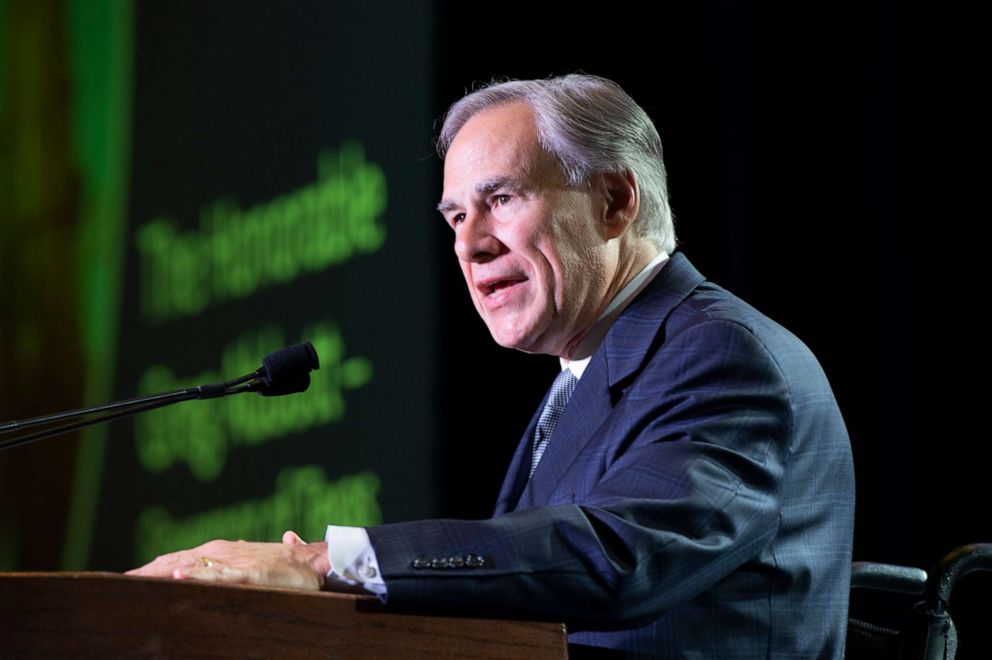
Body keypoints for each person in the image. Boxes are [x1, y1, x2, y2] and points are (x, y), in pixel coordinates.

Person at [130, 74, 855, 658]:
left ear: (614, 201)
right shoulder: (584, 376)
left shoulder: (722, 355)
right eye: (454, 218)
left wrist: (323, 563)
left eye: (501, 200)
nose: (469, 246)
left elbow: (618, 554)